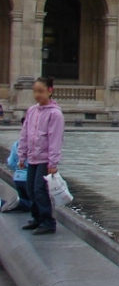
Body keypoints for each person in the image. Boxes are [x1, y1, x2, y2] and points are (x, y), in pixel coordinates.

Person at [17, 77, 64, 235]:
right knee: (30, 188)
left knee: (39, 189)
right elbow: (25, 134)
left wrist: (53, 162)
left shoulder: (55, 114)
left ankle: (48, 222)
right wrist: (22, 155)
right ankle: (37, 218)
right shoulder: (31, 111)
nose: (37, 95)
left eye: (40, 91)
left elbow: (55, 139)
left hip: (45, 159)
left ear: (50, 91)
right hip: (33, 157)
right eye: (35, 91)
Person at [1, 118, 32, 214]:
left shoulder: (17, 143)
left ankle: (9, 203)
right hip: (29, 179)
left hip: (17, 178)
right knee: (35, 204)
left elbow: (10, 162)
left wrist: (18, 169)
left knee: (26, 205)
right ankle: (17, 202)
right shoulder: (36, 143)